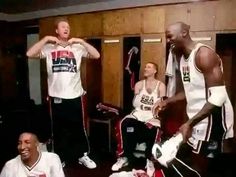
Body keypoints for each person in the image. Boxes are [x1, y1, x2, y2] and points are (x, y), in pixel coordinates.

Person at [154, 22, 234, 177]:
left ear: (184, 33)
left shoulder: (204, 55)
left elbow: (219, 96)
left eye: (170, 36)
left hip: (213, 118)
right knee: (195, 161)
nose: (168, 40)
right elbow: (189, 91)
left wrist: (189, 123)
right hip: (197, 118)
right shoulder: (182, 58)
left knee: (204, 166)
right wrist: (167, 101)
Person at [26, 17, 100, 169]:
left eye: (68, 27)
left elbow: (96, 55)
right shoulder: (49, 49)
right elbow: (29, 53)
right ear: (56, 31)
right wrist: (46, 39)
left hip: (75, 96)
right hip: (56, 97)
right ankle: (60, 157)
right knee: (59, 129)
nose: (66, 29)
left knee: (79, 127)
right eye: (63, 26)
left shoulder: (77, 49)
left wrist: (81, 41)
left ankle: (82, 155)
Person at [112, 62, 166, 176]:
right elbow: (135, 103)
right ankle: (124, 156)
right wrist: (140, 94)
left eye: (149, 67)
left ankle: (150, 160)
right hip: (138, 113)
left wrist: (157, 111)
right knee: (123, 123)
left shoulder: (161, 86)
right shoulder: (139, 84)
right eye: (145, 67)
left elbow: (162, 105)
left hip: (151, 115)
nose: (146, 69)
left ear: (155, 71)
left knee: (156, 130)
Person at [0, 132, 65, 177]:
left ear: (36, 144)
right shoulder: (10, 165)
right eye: (19, 143)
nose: (22, 147)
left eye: (27, 142)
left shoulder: (52, 159)